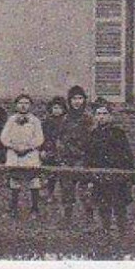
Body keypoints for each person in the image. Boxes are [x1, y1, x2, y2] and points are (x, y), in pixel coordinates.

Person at [85, 100, 135, 236]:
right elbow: (89, 155)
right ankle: (105, 228)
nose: (101, 117)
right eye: (98, 114)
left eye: (104, 114)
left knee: (119, 204)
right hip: (99, 175)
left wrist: (127, 175)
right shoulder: (93, 134)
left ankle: (122, 230)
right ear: (95, 116)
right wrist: (90, 175)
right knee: (103, 203)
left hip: (117, 174)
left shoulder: (118, 133)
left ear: (110, 116)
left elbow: (127, 155)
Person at [0, 94, 45, 219]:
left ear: (30, 105)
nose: (23, 105)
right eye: (21, 103)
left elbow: (40, 138)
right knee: (14, 181)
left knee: (33, 181)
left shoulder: (35, 121)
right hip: (14, 154)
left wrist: (28, 147)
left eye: (26, 103)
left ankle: (34, 209)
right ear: (16, 105)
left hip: (30, 154)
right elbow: (4, 137)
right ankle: (13, 209)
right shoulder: (11, 120)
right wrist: (13, 146)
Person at [59, 85, 94, 223]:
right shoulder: (65, 119)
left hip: (83, 158)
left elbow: (92, 139)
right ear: (70, 101)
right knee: (67, 189)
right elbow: (61, 138)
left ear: (84, 100)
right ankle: (67, 217)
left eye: (80, 98)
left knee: (84, 190)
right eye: (74, 99)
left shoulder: (88, 119)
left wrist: (85, 154)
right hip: (67, 158)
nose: (77, 102)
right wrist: (62, 154)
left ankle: (89, 217)